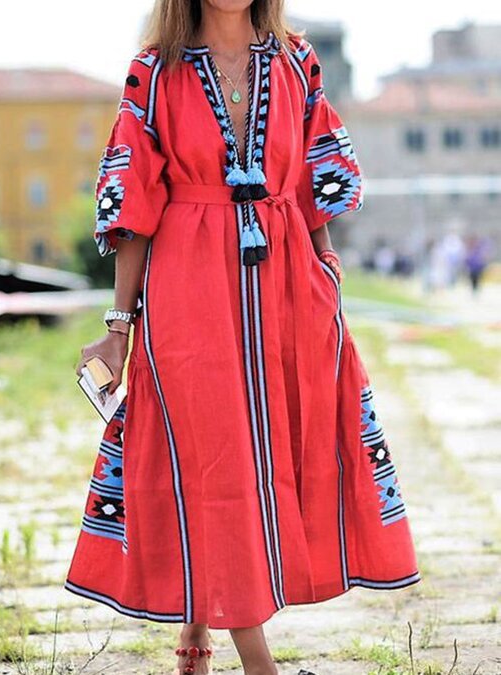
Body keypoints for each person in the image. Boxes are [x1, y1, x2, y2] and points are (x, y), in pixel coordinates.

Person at [66, 2, 420, 674]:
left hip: (287, 284)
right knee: (215, 457)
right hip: (189, 286)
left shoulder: (295, 61)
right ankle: (261, 665)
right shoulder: (154, 72)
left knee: (269, 452)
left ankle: (196, 632)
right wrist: (119, 324)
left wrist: (324, 272)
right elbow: (134, 198)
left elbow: (318, 179)